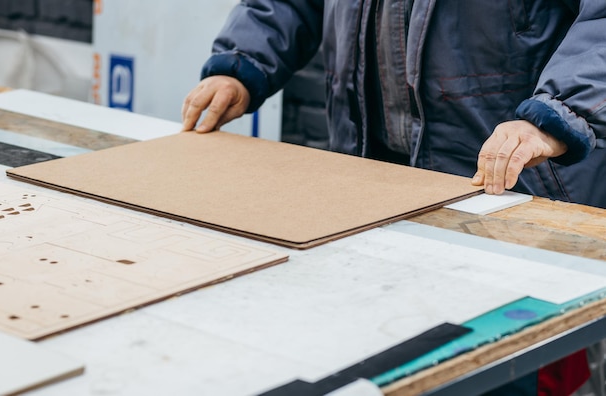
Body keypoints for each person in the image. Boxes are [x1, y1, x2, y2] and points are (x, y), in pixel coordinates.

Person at [181, 1, 605, 394]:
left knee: (497, 372)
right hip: (371, 193)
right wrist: (243, 61)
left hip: (509, 200)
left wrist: (559, 111)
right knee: (380, 367)